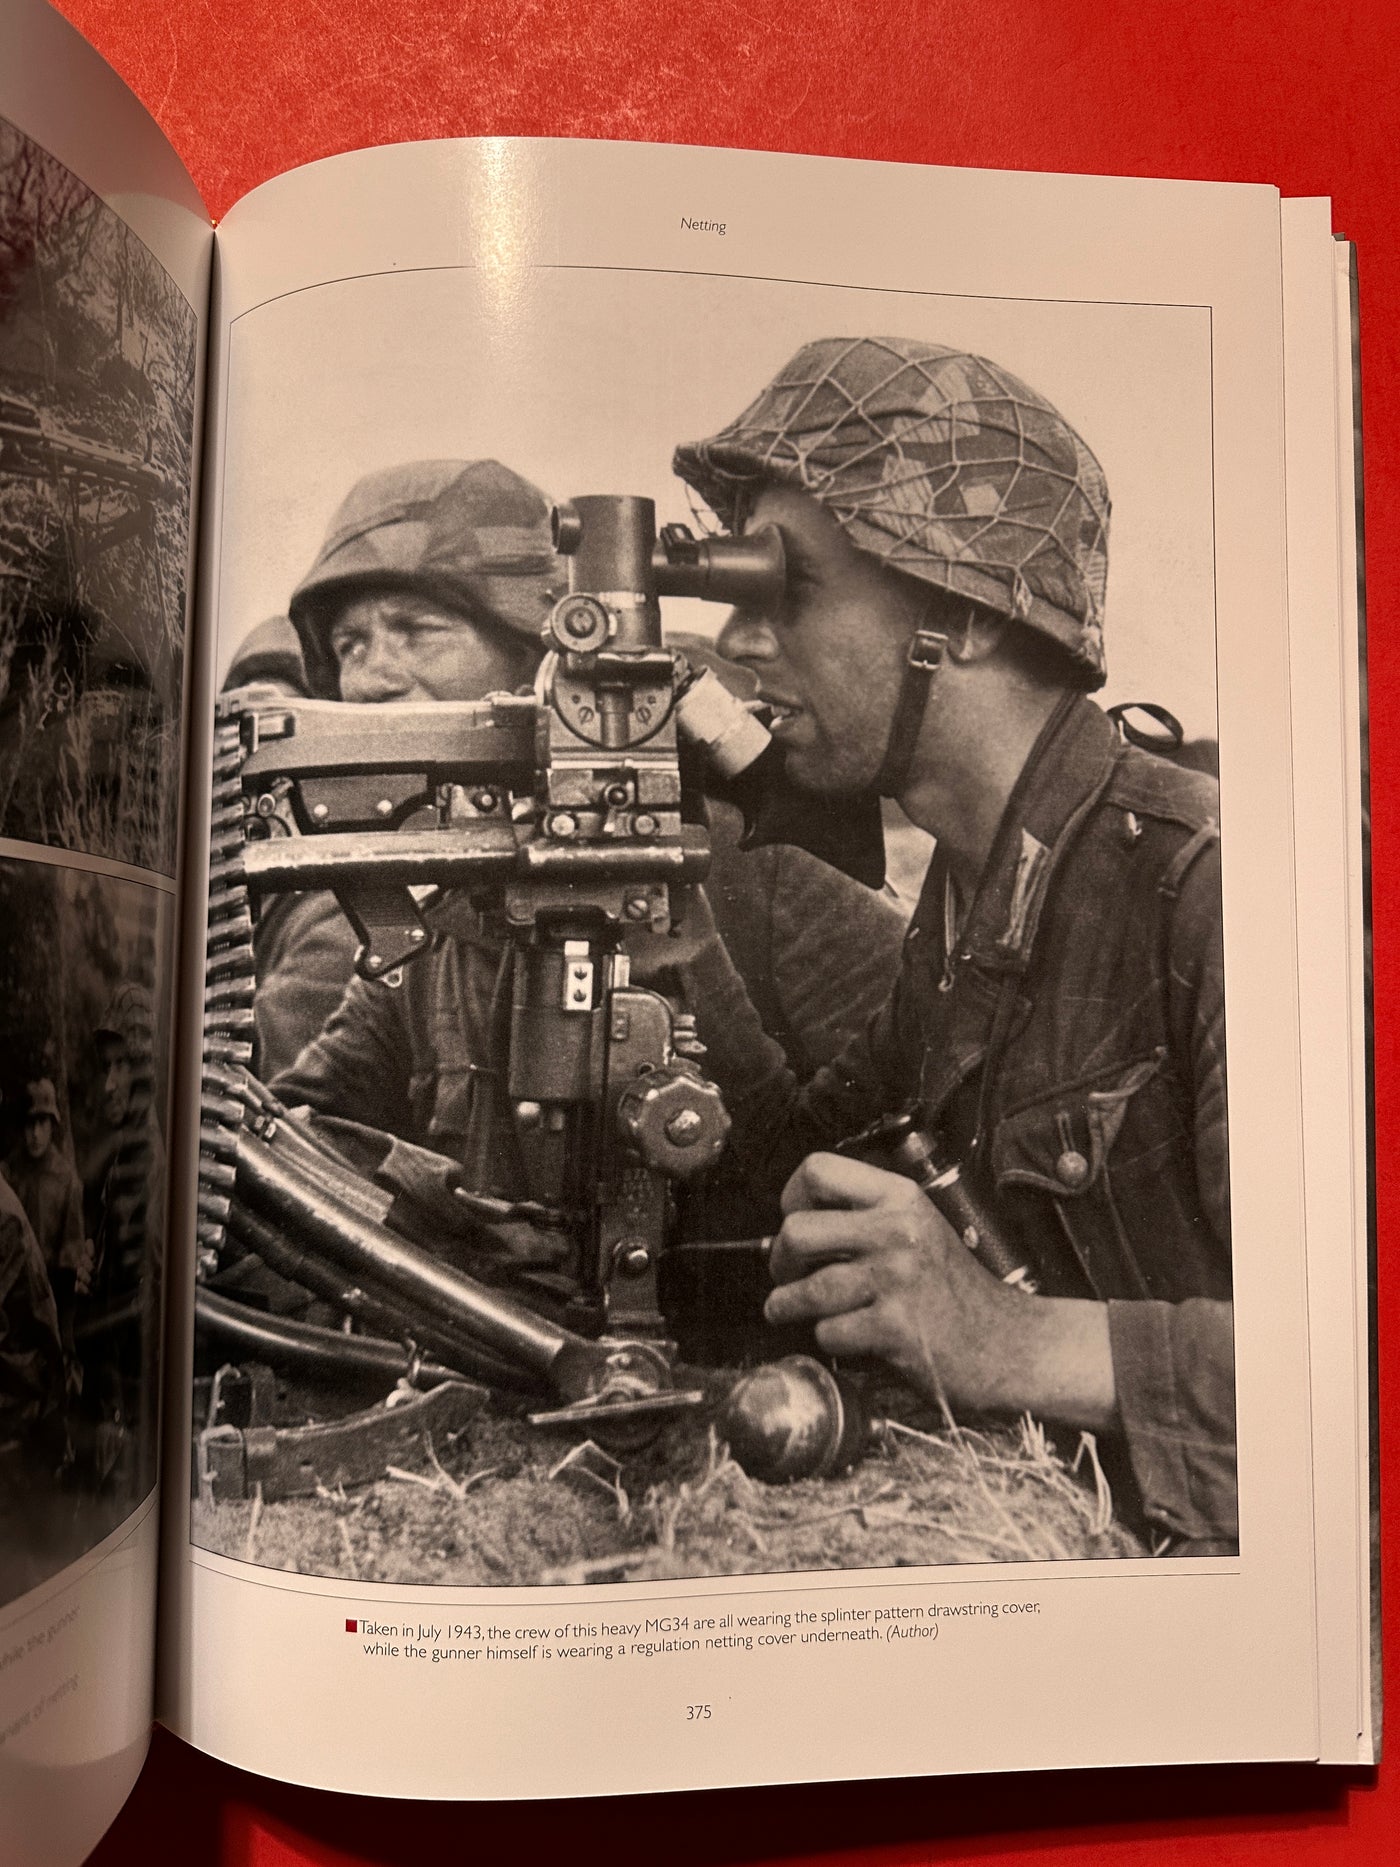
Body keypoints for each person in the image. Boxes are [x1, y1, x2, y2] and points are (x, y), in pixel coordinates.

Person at [668, 336, 1234, 1554]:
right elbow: (801, 1170)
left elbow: (1358, 1379)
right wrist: (670, 931)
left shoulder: (1204, 889)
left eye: (787, 589)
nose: (739, 642)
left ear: (960, 617)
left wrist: (1003, 1339)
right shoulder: (969, 903)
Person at [259, 461, 908, 1213]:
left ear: (530, 647)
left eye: (415, 631)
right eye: (349, 646)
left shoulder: (751, 857)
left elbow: (899, 1134)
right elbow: (316, 1115)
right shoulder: (443, 902)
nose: (372, 679)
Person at [2, 1078, 91, 1373]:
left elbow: (69, 1263)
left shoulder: (67, 1180)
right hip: (12, 1295)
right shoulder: (11, 1173)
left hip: (51, 1292)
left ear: (53, 1125)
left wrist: (64, 1334)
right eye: (30, 1124)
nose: (35, 1134)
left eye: (42, 1123)